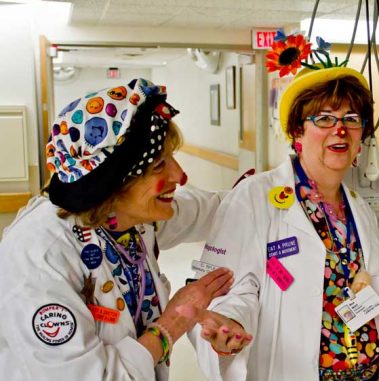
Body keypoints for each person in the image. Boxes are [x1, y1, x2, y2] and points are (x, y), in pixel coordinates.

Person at [187, 65, 379, 380]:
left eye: (351, 120)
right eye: (324, 118)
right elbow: (231, 289)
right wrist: (230, 325)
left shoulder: (358, 208)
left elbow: (375, 288)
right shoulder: (255, 197)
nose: (339, 130)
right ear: (298, 131)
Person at [0, 78, 235, 380]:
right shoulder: (40, 255)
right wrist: (172, 323)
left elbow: (217, 210)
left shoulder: (124, 218)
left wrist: (283, 189)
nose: (180, 175)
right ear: (113, 182)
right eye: (159, 165)